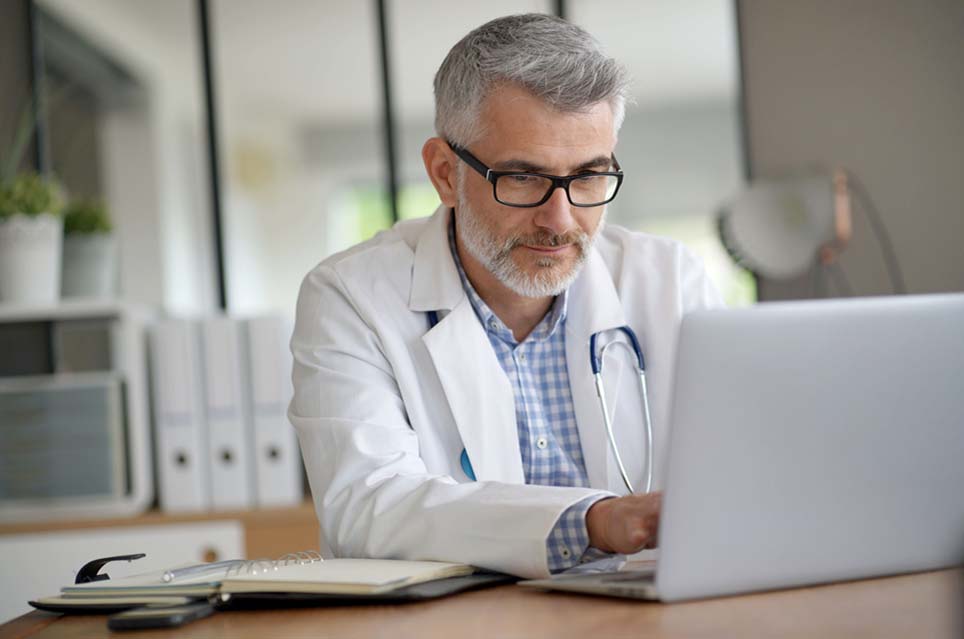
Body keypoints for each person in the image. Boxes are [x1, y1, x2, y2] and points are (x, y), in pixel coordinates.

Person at [289, 13, 722, 579]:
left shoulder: (671, 280)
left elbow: (741, 471)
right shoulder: (350, 296)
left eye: (589, 176)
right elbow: (369, 507)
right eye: (523, 178)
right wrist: (592, 522)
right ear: (445, 173)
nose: (560, 219)